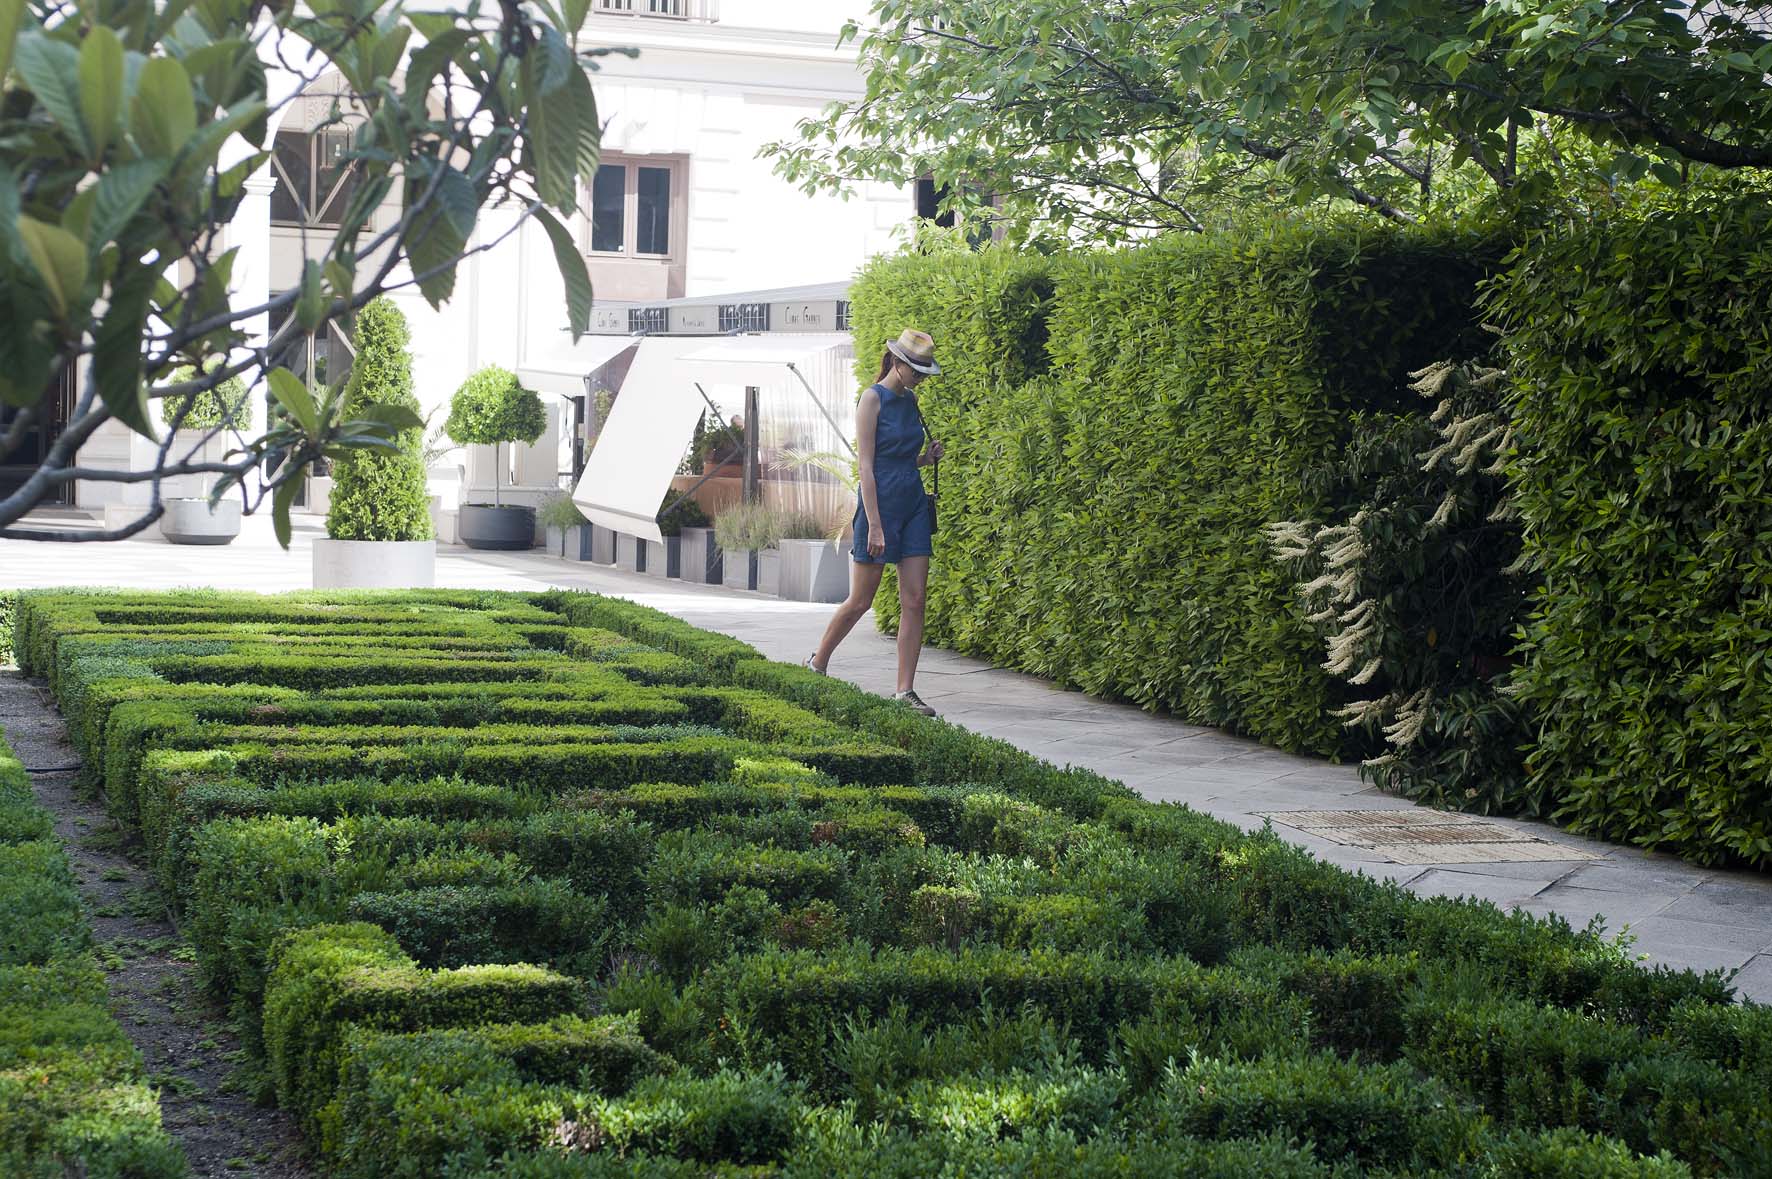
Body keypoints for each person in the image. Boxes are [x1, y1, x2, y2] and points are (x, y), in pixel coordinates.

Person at [804, 329, 945, 715]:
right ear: (897, 363)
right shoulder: (872, 399)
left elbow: (900, 459)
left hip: (913, 503)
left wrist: (925, 459)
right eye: (915, 369)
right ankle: (817, 663)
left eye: (923, 371)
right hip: (879, 507)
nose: (920, 377)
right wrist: (876, 525)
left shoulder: (911, 400)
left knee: (915, 599)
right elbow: (867, 466)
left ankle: (904, 692)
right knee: (861, 600)